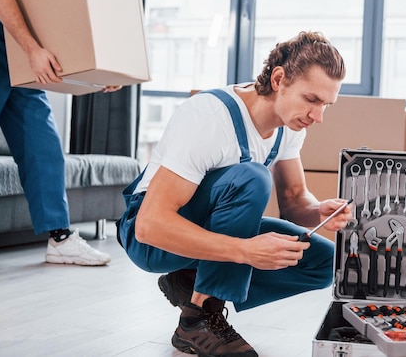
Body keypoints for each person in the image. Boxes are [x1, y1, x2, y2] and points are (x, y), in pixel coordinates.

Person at [116, 31, 353, 357]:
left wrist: (319, 212)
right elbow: (149, 225)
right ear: (279, 78)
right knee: (251, 177)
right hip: (149, 237)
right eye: (311, 100)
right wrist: (244, 251)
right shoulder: (211, 117)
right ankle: (199, 317)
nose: (318, 116)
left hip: (206, 231)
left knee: (322, 262)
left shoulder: (289, 126)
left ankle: (190, 282)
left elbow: (295, 199)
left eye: (327, 104)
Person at [0, 0, 117, 267]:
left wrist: (96, 69)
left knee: (43, 145)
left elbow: (66, 12)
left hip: (23, 52)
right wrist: (31, 49)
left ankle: (60, 238)